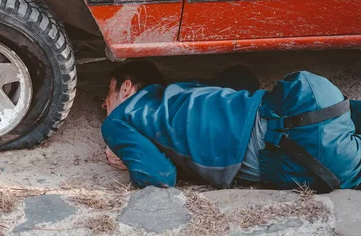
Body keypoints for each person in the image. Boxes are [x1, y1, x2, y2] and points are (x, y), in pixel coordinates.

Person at [101, 60, 361, 192]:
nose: (103, 105)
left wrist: (128, 155)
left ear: (125, 88)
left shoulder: (119, 118)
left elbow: (158, 178)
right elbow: (242, 76)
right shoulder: (180, 92)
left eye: (108, 91)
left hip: (300, 149)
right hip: (312, 95)